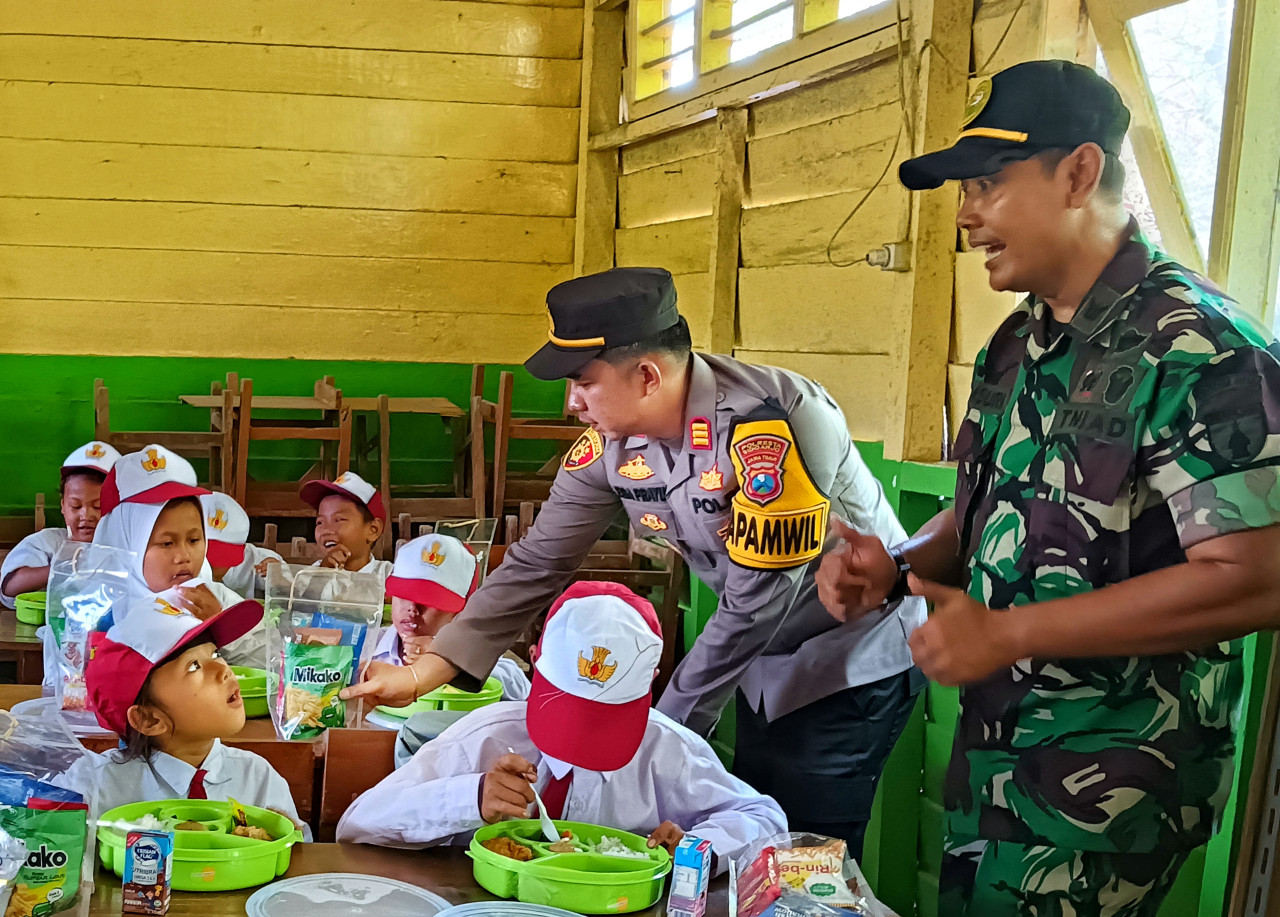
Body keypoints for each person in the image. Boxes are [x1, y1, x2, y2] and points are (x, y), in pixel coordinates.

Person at [818, 59, 1280, 916]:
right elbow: (982, 514)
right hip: (994, 770)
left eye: (988, 184)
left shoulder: (1202, 349)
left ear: (1079, 173)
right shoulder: (1014, 345)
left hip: (1108, 799)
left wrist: (1008, 632)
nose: (964, 215)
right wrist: (896, 566)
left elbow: (1255, 575)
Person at [344, 267, 926, 857]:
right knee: (751, 838)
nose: (571, 403)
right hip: (754, 668)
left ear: (647, 375)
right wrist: (422, 674)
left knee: (803, 848)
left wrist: (648, 744)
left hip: (845, 657)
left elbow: (753, 608)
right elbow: (537, 562)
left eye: (583, 382)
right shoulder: (613, 438)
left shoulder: (768, 424)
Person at [337, 581, 786, 867]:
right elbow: (356, 825)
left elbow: (765, 819)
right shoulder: (484, 737)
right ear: (534, 662)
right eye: (569, 709)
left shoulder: (667, 750)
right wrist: (468, 798)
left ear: (652, 681)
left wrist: (697, 848)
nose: (580, 742)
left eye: (604, 719)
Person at [71, 590, 305, 834]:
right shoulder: (94, 786)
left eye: (216, 653)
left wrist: (289, 837)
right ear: (149, 719)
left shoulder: (258, 779)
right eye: (194, 666)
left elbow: (300, 860)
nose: (224, 670)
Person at [93, 445, 266, 667]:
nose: (184, 556)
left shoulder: (215, 600)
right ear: (129, 546)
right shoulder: (104, 612)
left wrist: (220, 628)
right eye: (167, 543)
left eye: (194, 540)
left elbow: (272, 660)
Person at [0, 441, 120, 607]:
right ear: (63, 506)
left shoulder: (128, 547)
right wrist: (63, 566)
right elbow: (10, 588)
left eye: (98, 506)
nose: (86, 515)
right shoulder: (47, 543)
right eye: (75, 506)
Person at [298, 472, 391, 579]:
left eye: (338, 520)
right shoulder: (308, 576)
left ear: (373, 530)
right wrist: (322, 575)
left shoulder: (389, 576)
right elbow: (305, 596)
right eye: (320, 522)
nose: (326, 530)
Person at [199, 491, 283, 599]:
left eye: (221, 557)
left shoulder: (253, 560)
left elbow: (289, 590)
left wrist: (279, 578)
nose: (208, 566)